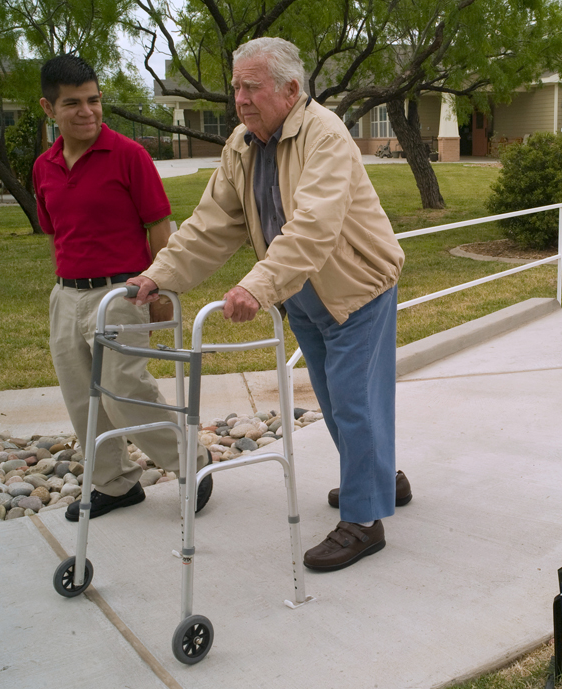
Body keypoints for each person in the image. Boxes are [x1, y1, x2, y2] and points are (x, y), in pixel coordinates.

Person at [128, 37, 409, 571]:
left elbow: (313, 227)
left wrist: (256, 286)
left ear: (290, 90)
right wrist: (159, 275)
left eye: (250, 87)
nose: (240, 98)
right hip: (300, 292)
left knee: (353, 401)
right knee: (340, 402)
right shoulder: (242, 144)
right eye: (235, 87)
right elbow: (212, 223)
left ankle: (364, 521)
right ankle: (378, 479)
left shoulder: (325, 135)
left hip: (355, 288)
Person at [34, 54, 210, 522]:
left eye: (93, 100)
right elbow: (56, 232)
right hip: (66, 296)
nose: (87, 111)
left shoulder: (129, 156)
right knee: (80, 396)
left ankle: (192, 464)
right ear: (49, 109)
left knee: (122, 390)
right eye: (73, 103)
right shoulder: (44, 166)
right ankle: (114, 484)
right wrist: (65, 293)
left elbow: (159, 226)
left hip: (122, 294)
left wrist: (162, 292)